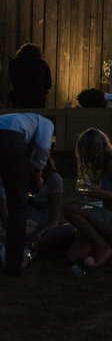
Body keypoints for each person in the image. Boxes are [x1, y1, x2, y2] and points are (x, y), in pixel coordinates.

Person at [64, 128, 112, 268]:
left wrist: (102, 194)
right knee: (74, 258)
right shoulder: (107, 165)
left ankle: (105, 247)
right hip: (111, 220)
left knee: (70, 208)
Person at [0, 112, 54, 275]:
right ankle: (14, 264)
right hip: (12, 142)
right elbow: (44, 146)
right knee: (18, 207)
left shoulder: (14, 119)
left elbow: (2, 186)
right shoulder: (46, 121)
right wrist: (37, 175)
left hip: (9, 139)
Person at [0, 157, 75, 256]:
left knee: (71, 229)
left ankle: (25, 247)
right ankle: (27, 248)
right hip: (18, 228)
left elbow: (54, 220)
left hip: (42, 230)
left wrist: (38, 233)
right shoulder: (16, 176)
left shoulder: (54, 180)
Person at [7, 44, 52, 109]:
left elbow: (14, 82)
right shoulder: (42, 64)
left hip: (20, 98)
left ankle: (18, 108)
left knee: (11, 92)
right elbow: (48, 85)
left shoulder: (13, 63)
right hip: (38, 100)